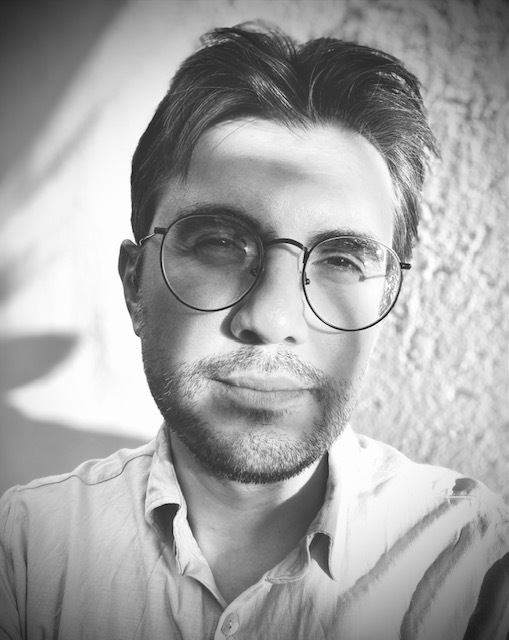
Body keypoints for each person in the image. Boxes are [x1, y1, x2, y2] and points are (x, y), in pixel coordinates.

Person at [0, 23, 507, 640]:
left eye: (341, 259)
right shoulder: (25, 552)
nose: (271, 319)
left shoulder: (475, 561)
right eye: (218, 243)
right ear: (135, 286)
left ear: (387, 300)